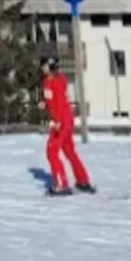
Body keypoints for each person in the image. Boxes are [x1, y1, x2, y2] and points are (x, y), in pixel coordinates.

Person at [41, 58, 93, 195]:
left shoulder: (56, 82)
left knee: (52, 152)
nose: (43, 68)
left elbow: (60, 103)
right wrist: (44, 104)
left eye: (45, 66)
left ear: (51, 68)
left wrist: (57, 121)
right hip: (64, 121)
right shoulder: (48, 81)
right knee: (69, 151)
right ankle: (83, 181)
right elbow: (52, 101)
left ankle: (61, 184)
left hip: (61, 122)